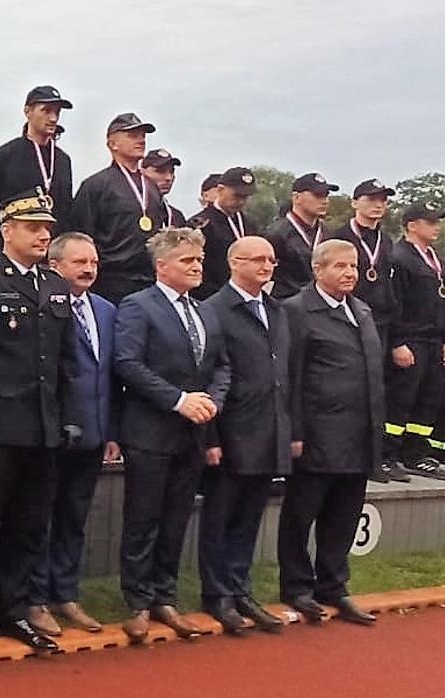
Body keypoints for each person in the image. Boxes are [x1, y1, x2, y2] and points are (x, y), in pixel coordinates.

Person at [0, 189, 83, 661]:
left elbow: (65, 363)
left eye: (47, 228)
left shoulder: (55, 286)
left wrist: (68, 418)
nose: (43, 234)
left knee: (29, 526)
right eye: (33, 227)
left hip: (44, 428)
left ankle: (14, 609)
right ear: (7, 230)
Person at [111, 226, 230, 642]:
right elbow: (127, 362)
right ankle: (138, 602)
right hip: (150, 431)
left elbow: (221, 365)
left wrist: (212, 399)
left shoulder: (205, 310)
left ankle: (166, 597)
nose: (196, 266)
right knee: (143, 520)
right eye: (187, 261)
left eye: (199, 260)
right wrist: (178, 399)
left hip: (192, 434)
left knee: (176, 519)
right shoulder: (137, 306)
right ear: (162, 266)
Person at [278, 239, 383, 626]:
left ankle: (334, 585)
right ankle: (297, 586)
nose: (350, 273)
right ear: (318, 270)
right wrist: (296, 430)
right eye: (340, 266)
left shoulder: (363, 311)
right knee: (301, 514)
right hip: (319, 433)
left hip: (359, 433)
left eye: (353, 266)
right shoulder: (297, 311)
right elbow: (290, 376)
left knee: (343, 516)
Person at [197, 236, 291, 634]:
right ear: (235, 262)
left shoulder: (275, 309)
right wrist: (211, 438)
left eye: (271, 260)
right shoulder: (215, 310)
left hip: (267, 431)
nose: (267, 266)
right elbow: (208, 375)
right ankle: (217, 594)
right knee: (220, 517)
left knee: (250, 517)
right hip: (231, 431)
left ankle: (240, 588)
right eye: (258, 259)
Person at [29, 231, 120, 638]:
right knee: (40, 517)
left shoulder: (105, 310)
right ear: (56, 265)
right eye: (79, 262)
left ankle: (65, 593)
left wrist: (111, 430)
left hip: (94, 434)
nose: (88, 269)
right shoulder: (45, 307)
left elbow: (111, 376)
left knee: (73, 518)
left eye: (94, 263)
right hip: (53, 434)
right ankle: (34, 599)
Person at [333, 179, 402, 482]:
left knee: (378, 391)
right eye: (372, 199)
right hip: (348, 321)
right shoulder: (338, 236)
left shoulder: (386, 242)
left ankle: (377, 456)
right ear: (354, 202)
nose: (378, 205)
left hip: (381, 323)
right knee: (350, 388)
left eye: (383, 200)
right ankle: (347, 453)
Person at [387, 200, 445, 479]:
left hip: (434, 341)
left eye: (438, 221)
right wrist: (397, 341)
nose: (437, 227)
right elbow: (394, 303)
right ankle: (386, 454)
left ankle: (415, 453)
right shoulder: (399, 257)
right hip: (411, 339)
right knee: (401, 398)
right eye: (431, 222)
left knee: (428, 399)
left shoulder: (436, 260)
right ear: (412, 225)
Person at [70, 113, 167, 302]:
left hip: (149, 281)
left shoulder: (152, 187)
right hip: (111, 281)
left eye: (143, 136)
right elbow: (80, 234)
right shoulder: (96, 185)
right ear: (112, 144)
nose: (140, 140)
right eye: (132, 136)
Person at [0, 86, 74, 257]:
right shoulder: (4, 156)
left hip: (51, 256)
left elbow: (66, 211)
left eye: (57, 112)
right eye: (46, 111)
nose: (53, 118)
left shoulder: (63, 160)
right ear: (28, 111)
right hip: (10, 255)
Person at [189, 167, 258, 300]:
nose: (241, 201)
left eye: (246, 197)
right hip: (211, 298)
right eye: (237, 195)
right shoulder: (201, 224)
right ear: (220, 190)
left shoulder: (249, 224)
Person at [267, 173, 337, 300]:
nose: (325, 201)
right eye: (318, 195)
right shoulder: (276, 234)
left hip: (322, 305)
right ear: (296, 197)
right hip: (287, 306)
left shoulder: (328, 235)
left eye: (326, 195)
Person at [139, 148, 184, 226]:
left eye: (172, 171)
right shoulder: (131, 211)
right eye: (160, 171)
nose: (168, 178)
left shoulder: (176, 217)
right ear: (142, 173)